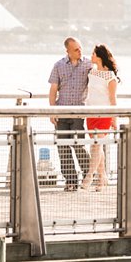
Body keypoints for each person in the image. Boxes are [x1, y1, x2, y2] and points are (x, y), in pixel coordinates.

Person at [47, 36, 90, 192]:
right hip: (61, 111)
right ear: (68, 51)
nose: (80, 51)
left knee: (79, 145)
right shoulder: (58, 65)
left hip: (79, 112)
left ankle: (88, 175)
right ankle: (70, 181)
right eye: (76, 49)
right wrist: (52, 112)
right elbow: (53, 90)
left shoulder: (88, 64)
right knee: (63, 147)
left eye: (80, 48)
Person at [83, 43, 120, 192]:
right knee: (96, 146)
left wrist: (114, 119)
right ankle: (102, 178)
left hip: (104, 114)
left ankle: (90, 176)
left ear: (99, 56)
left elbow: (113, 99)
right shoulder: (91, 72)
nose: (91, 56)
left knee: (96, 145)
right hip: (91, 113)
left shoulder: (111, 77)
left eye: (93, 53)